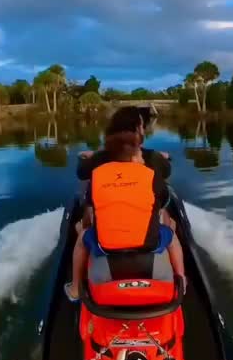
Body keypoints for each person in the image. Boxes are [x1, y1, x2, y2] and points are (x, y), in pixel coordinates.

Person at [65, 127, 185, 301]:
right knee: (171, 236)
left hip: (106, 249)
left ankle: (75, 289)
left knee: (82, 237)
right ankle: (183, 280)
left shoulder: (98, 175)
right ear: (134, 156)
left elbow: (90, 211)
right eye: (140, 153)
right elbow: (163, 204)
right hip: (147, 245)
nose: (143, 157)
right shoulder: (150, 175)